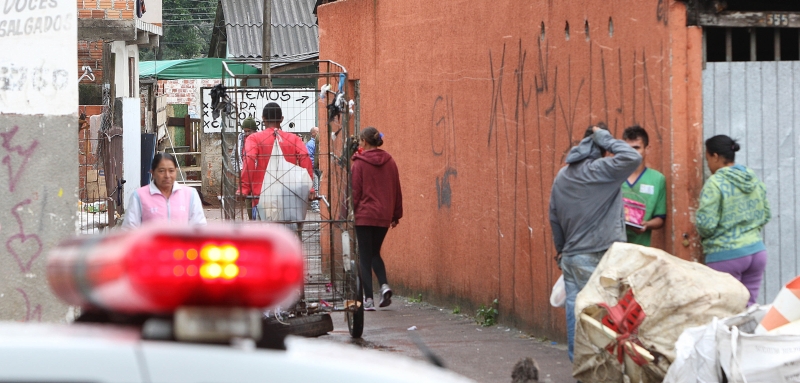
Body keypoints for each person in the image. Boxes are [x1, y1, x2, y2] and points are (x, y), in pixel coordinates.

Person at [549, 123, 641, 361]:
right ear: (602, 147)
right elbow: (632, 157)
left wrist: (561, 251)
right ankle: (604, 368)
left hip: (572, 257)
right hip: (600, 256)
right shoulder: (602, 170)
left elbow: (554, 217)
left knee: (576, 312)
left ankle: (580, 364)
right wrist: (606, 137)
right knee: (605, 315)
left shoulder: (562, 176)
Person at [696, 135, 770, 307]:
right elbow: (766, 214)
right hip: (757, 251)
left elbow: (706, 225)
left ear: (715, 157)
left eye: (707, 159)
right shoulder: (752, 178)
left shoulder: (715, 183)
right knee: (748, 310)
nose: (708, 164)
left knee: (724, 311)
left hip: (726, 255)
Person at [352, 127, 403, 311]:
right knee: (375, 252)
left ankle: (368, 299)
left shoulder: (359, 163)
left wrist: (347, 213)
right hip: (383, 215)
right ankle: (384, 285)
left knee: (365, 256)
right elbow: (396, 188)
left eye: (360, 141)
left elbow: (355, 192)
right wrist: (396, 214)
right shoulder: (390, 162)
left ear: (364, 142)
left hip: (364, 216)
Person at [239, 102, 314, 219]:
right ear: (282, 119)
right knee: (288, 230)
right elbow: (305, 158)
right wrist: (309, 188)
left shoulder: (254, 139)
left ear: (263, 119)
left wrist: (244, 188)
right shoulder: (294, 139)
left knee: (262, 230)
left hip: (262, 197)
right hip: (289, 198)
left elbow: (249, 160)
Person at [122, 152, 207, 228]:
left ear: (176, 171)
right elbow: (129, 230)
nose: (167, 175)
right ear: (153, 173)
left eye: (171, 171)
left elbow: (199, 228)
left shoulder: (190, 194)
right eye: (161, 171)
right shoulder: (139, 196)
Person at [620, 125, 667, 247]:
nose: (632, 152)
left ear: (647, 149)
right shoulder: (614, 176)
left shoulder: (658, 179)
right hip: (614, 246)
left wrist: (647, 225)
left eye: (636, 148)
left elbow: (660, 218)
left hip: (641, 248)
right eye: (628, 148)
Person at [306, 126, 321, 213]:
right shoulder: (311, 144)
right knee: (315, 186)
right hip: (313, 168)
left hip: (316, 167)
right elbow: (309, 157)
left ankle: (316, 204)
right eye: (317, 131)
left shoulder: (315, 143)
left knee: (317, 186)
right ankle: (315, 205)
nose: (319, 133)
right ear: (313, 133)